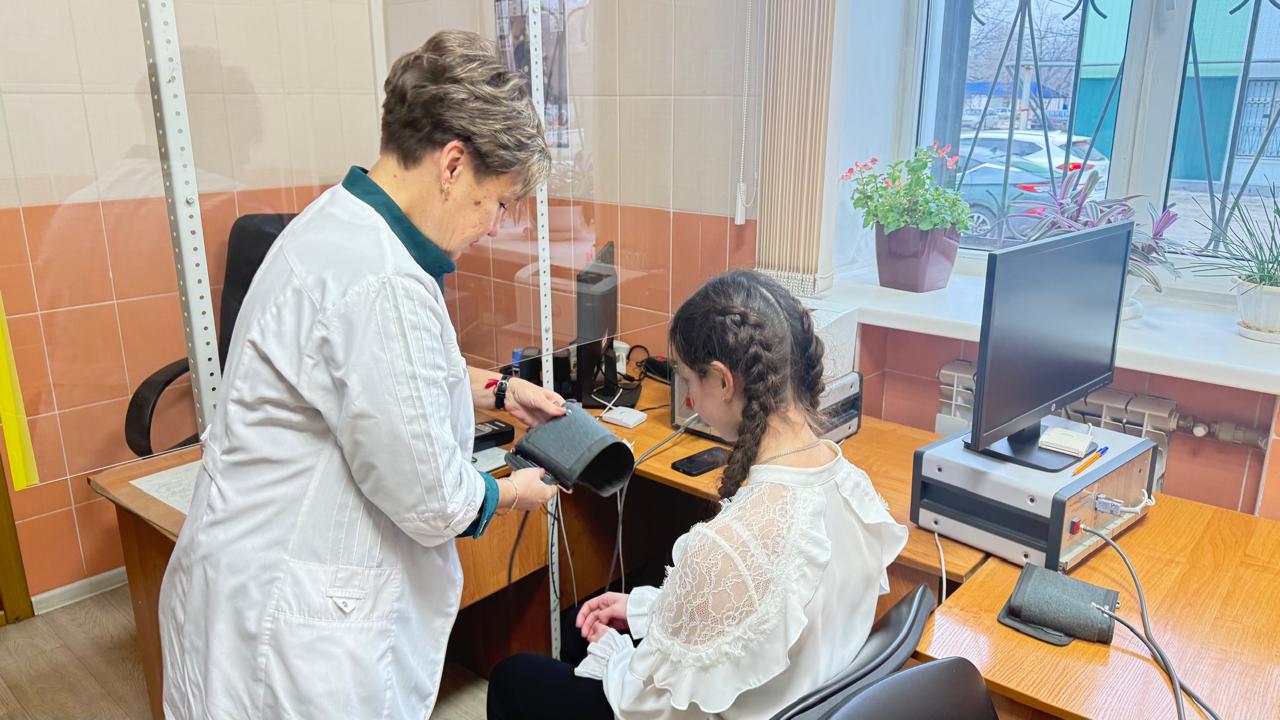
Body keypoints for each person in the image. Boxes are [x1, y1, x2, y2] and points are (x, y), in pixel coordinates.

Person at [158, 31, 561, 720]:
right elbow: (433, 500)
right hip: (293, 624)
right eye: (498, 202)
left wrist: (500, 389)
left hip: (249, 578)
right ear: (453, 163)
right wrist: (513, 492)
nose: (496, 227)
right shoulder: (381, 282)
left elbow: (374, 374)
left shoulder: (342, 223)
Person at [487, 270, 910, 719]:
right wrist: (646, 610)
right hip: (794, 697)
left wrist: (612, 653)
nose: (688, 400)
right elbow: (766, 614)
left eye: (688, 380)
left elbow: (653, 706)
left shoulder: (724, 548)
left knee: (515, 676)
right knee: (579, 639)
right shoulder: (856, 492)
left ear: (724, 382)